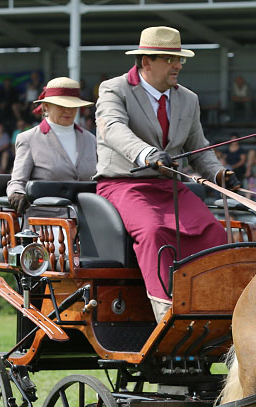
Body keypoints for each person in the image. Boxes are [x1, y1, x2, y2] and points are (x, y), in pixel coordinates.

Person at [95, 25, 237, 322]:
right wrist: (145, 153)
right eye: (171, 59)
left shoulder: (188, 98)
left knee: (214, 233)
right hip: (123, 185)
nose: (179, 65)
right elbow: (113, 130)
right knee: (152, 231)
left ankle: (217, 308)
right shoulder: (114, 89)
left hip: (168, 186)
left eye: (180, 59)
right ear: (147, 62)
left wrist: (219, 174)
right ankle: (167, 314)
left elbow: (198, 148)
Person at [6, 77, 96, 214]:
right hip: (45, 224)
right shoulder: (28, 139)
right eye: (62, 106)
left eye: (73, 106)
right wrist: (17, 193)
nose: (68, 111)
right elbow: (17, 182)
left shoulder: (91, 140)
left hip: (89, 220)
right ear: (46, 106)